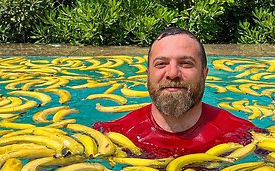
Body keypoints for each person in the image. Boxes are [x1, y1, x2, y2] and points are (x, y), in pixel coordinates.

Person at [94, 26, 264, 158]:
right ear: (148, 74)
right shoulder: (112, 135)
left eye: (186, 63)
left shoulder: (243, 135)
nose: (173, 73)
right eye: (161, 64)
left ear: (204, 74)